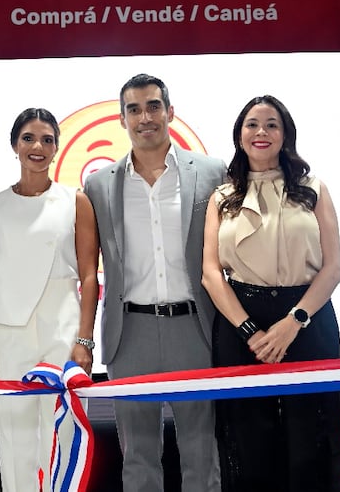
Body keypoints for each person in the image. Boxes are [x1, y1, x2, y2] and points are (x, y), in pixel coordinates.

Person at [83, 74, 225, 492]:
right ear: (122, 118)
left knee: (202, 453)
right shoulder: (99, 184)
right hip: (131, 332)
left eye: (153, 106)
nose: (145, 117)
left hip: (195, 326)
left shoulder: (211, 172)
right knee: (139, 459)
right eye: (134, 109)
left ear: (170, 112)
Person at [201, 95, 340, 492]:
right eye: (252, 124)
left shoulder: (313, 189)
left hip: (307, 317)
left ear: (286, 135)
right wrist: (250, 330)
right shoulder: (221, 198)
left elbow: (334, 268)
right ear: (239, 135)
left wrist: (293, 322)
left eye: (271, 124)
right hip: (239, 320)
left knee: (311, 432)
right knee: (247, 437)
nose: (261, 132)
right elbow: (212, 275)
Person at [0, 108, 99, 492]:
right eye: (28, 138)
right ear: (15, 145)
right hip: (9, 336)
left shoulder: (75, 201)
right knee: (14, 441)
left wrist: (84, 340)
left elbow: (91, 276)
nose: (37, 147)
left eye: (46, 139)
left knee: (62, 438)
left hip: (62, 334)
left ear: (57, 147)